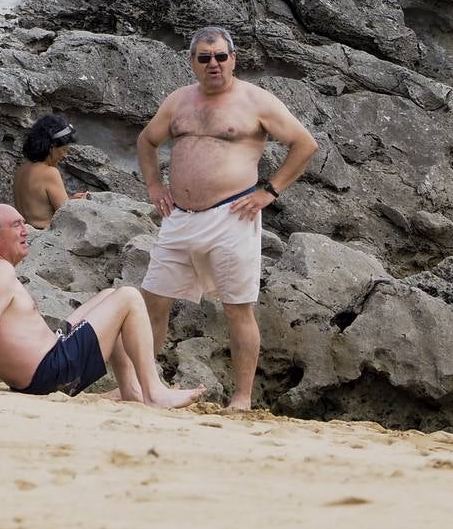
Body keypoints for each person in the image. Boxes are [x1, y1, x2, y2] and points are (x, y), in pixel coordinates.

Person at [136, 26, 318, 410]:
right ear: (192, 62)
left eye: (220, 56)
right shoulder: (178, 101)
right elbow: (147, 141)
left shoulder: (256, 101)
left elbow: (304, 144)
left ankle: (242, 397)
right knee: (154, 300)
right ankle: (143, 385)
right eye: (205, 58)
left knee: (237, 306)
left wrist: (269, 191)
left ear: (233, 58)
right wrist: (154, 185)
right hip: (179, 217)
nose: (214, 64)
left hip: (232, 215)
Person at [0, 203, 205, 408]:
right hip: (50, 373)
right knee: (129, 296)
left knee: (108, 296)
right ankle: (154, 392)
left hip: (45, 362)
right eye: (16, 226)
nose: (25, 229)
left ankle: (131, 390)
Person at [13, 113, 88, 229]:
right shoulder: (49, 173)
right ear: (52, 147)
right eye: (63, 149)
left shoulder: (20, 171)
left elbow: (40, 206)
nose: (64, 154)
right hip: (46, 237)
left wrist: (72, 200)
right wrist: (82, 202)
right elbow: (66, 215)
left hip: (26, 236)